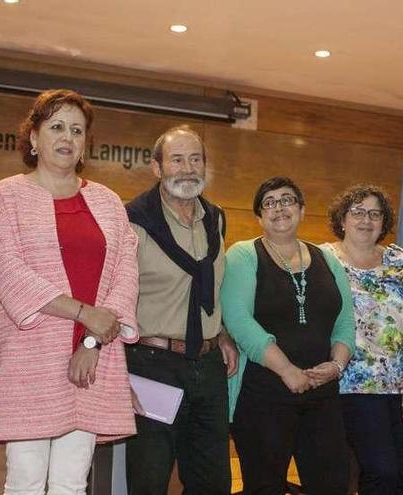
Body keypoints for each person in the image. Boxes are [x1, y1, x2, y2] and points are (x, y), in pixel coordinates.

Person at [0, 89, 140, 494]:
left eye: (76, 129)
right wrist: (85, 313)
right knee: (25, 482)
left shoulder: (106, 201)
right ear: (33, 138)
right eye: (55, 127)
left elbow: (126, 273)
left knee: (71, 483)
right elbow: (10, 273)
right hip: (28, 363)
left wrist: (91, 340)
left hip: (91, 361)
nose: (67, 137)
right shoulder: (7, 195)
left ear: (86, 142)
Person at [221, 176, 355, 495]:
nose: (279, 208)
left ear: (302, 210)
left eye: (287, 200)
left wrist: (336, 366)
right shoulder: (243, 254)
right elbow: (238, 320)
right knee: (264, 486)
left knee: (333, 484)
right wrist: (287, 371)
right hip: (264, 393)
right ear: (259, 216)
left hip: (322, 392)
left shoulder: (327, 259)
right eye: (269, 202)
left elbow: (345, 321)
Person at [124, 126, 239, 494]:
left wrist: (221, 333)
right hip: (151, 365)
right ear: (157, 168)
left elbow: (212, 287)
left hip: (207, 367)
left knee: (213, 483)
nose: (187, 169)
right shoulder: (131, 219)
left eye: (195, 159)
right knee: (149, 480)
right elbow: (116, 296)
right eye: (177, 159)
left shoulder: (217, 219)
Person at [323, 184, 403, 495]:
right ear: (342, 219)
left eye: (375, 213)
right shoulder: (324, 259)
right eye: (357, 212)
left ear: (384, 222)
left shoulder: (401, 261)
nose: (366, 220)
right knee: (380, 472)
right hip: (351, 385)